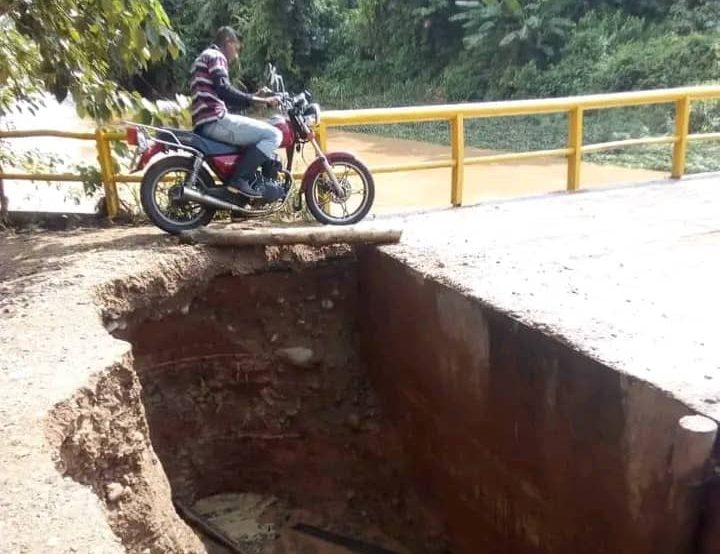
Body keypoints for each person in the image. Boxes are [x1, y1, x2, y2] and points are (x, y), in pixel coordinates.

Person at [190, 26, 282, 198]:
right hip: (215, 120)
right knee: (274, 134)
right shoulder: (216, 56)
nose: (236, 55)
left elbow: (222, 94)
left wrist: (253, 98)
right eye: (236, 48)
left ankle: (242, 199)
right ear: (228, 42)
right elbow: (224, 89)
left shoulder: (203, 57)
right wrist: (260, 100)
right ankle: (239, 181)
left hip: (206, 121)